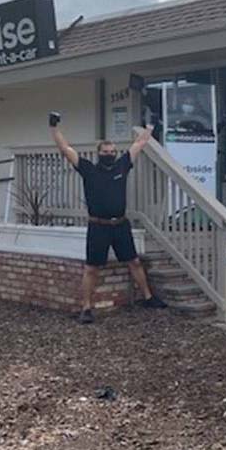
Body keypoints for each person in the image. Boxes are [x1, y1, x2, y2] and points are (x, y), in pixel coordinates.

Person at [49, 112, 167, 323]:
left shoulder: (122, 165)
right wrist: (54, 127)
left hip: (120, 225)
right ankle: (86, 308)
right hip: (98, 227)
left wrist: (151, 125)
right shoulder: (88, 170)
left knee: (135, 262)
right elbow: (65, 149)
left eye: (112, 151)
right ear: (99, 153)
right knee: (91, 268)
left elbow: (140, 143)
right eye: (106, 151)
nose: (110, 154)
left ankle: (148, 297)